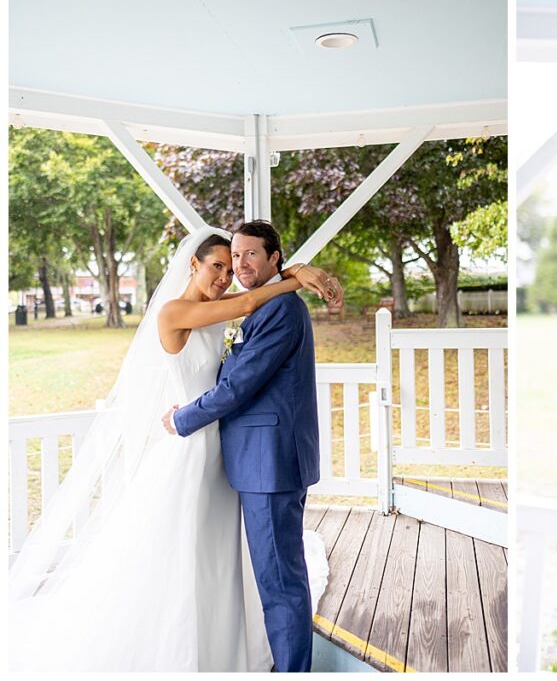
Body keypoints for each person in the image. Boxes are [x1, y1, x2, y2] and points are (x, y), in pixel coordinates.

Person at [8, 225, 338, 671]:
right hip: (194, 449)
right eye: (221, 263)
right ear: (193, 264)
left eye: (242, 259)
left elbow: (243, 339)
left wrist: (293, 272)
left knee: (238, 565)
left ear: (272, 257)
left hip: (237, 453)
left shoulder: (248, 307)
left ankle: (249, 656)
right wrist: (296, 274)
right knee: (184, 557)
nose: (230, 272)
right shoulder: (177, 311)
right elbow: (245, 306)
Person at [165, 220, 328, 673]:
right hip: (252, 460)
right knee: (270, 574)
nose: (239, 265)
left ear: (275, 258)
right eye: (234, 257)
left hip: (269, 462)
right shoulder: (256, 306)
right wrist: (296, 275)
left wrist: (182, 419)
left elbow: (239, 386)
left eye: (250, 254)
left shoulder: (280, 310)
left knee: (279, 579)